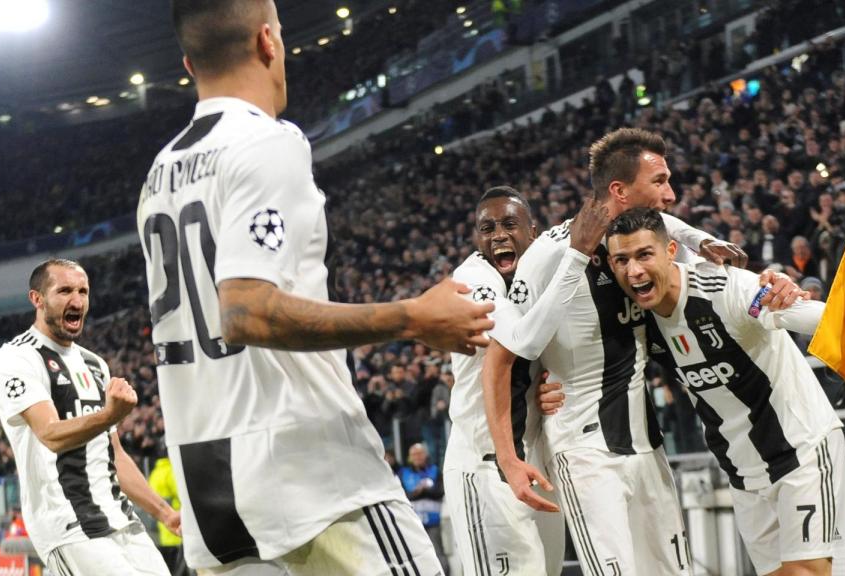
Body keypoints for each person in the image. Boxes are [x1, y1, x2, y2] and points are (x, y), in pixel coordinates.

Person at [139, 2, 494, 574]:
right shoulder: (267, 141)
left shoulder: (159, 174)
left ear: (189, 64)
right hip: (308, 468)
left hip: (208, 480)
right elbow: (246, 311)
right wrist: (411, 318)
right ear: (267, 42)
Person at [481, 128, 792, 575]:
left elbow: (710, 284)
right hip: (585, 451)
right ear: (619, 190)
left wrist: (768, 282)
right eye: (660, 182)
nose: (671, 194)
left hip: (647, 446)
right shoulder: (548, 255)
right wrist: (509, 458)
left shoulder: (647, 248)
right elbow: (502, 356)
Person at [603, 208, 845, 575]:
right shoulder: (635, 317)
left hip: (802, 449)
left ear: (671, 250)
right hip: (742, 470)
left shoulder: (724, 287)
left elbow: (816, 318)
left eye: (644, 255)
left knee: (807, 570)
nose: (634, 271)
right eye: (621, 260)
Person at [445, 186, 605, 576]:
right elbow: (518, 340)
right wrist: (576, 257)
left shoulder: (536, 273)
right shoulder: (471, 278)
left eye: (509, 224)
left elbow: (605, 211)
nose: (497, 234)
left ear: (532, 234)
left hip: (532, 464)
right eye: (487, 228)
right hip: (485, 467)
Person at [0, 258, 178, 575]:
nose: (77, 301)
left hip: (120, 518)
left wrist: (165, 513)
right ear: (37, 298)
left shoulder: (95, 364)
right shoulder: (15, 357)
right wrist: (108, 415)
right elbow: (49, 434)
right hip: (68, 523)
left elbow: (113, 454)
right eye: (64, 291)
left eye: (83, 291)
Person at [399, 444, 446, 571]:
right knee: (413, 553)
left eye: (420, 453)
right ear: (409, 457)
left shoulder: (435, 470)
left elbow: (440, 491)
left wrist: (423, 490)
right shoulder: (404, 473)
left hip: (433, 521)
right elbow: (402, 495)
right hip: (412, 522)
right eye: (414, 454)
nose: (417, 457)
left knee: (438, 552)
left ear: (426, 455)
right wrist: (418, 491)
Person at [148, 445, 188, 576]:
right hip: (176, 533)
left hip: (161, 534)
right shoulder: (172, 472)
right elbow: (185, 496)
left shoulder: (155, 473)